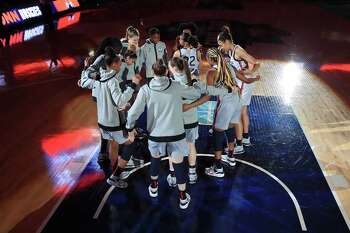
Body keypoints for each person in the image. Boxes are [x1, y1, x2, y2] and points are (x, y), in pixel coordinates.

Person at [183, 48, 260, 177]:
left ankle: (218, 167)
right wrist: (256, 78)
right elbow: (246, 80)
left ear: (210, 59)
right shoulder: (229, 66)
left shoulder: (212, 72)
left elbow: (208, 96)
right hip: (238, 101)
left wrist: (190, 105)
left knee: (217, 133)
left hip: (226, 105)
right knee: (230, 128)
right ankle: (231, 156)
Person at [80, 47, 141, 188]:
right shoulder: (112, 81)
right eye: (119, 63)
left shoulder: (98, 78)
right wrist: (133, 85)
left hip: (102, 122)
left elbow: (83, 82)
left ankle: (113, 171)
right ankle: (115, 175)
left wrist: (86, 68)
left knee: (112, 145)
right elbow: (120, 101)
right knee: (130, 144)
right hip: (114, 123)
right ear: (113, 65)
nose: (121, 65)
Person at [217, 27, 260, 154]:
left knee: (237, 113)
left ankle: (239, 145)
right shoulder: (230, 49)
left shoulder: (238, 51)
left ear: (226, 42)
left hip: (244, 83)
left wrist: (249, 71)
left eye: (220, 44)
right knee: (243, 111)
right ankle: (245, 138)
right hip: (242, 82)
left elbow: (256, 62)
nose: (220, 47)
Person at [83, 37, 122, 167]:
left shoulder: (112, 58)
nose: (118, 52)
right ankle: (103, 151)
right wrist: (97, 77)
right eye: (117, 49)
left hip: (107, 90)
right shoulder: (101, 59)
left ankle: (111, 147)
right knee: (106, 122)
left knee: (108, 121)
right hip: (100, 91)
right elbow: (89, 73)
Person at [167, 57, 199, 185]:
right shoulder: (194, 81)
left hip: (175, 122)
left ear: (174, 69)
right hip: (191, 120)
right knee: (191, 145)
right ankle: (192, 173)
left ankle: (173, 175)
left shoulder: (171, 84)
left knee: (173, 148)